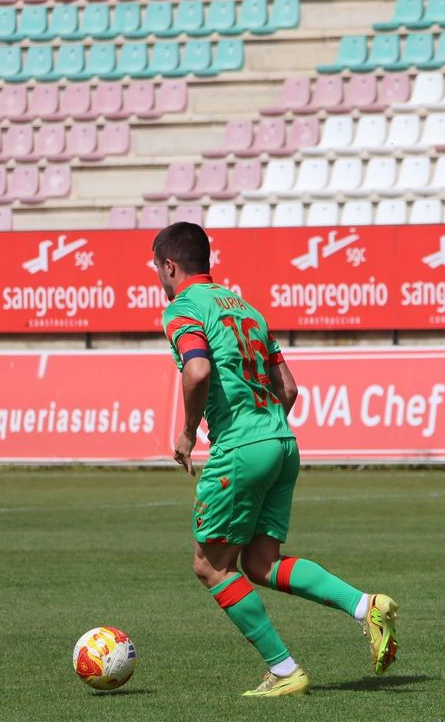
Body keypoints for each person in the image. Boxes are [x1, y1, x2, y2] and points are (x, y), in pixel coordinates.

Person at [155, 222, 398, 697]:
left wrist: (187, 433)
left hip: (242, 448)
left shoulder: (183, 308)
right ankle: (365, 605)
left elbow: (198, 369)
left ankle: (284, 670)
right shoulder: (247, 308)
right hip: (283, 442)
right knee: (261, 563)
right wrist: (265, 432)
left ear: (169, 266)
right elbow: (289, 388)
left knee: (211, 566)